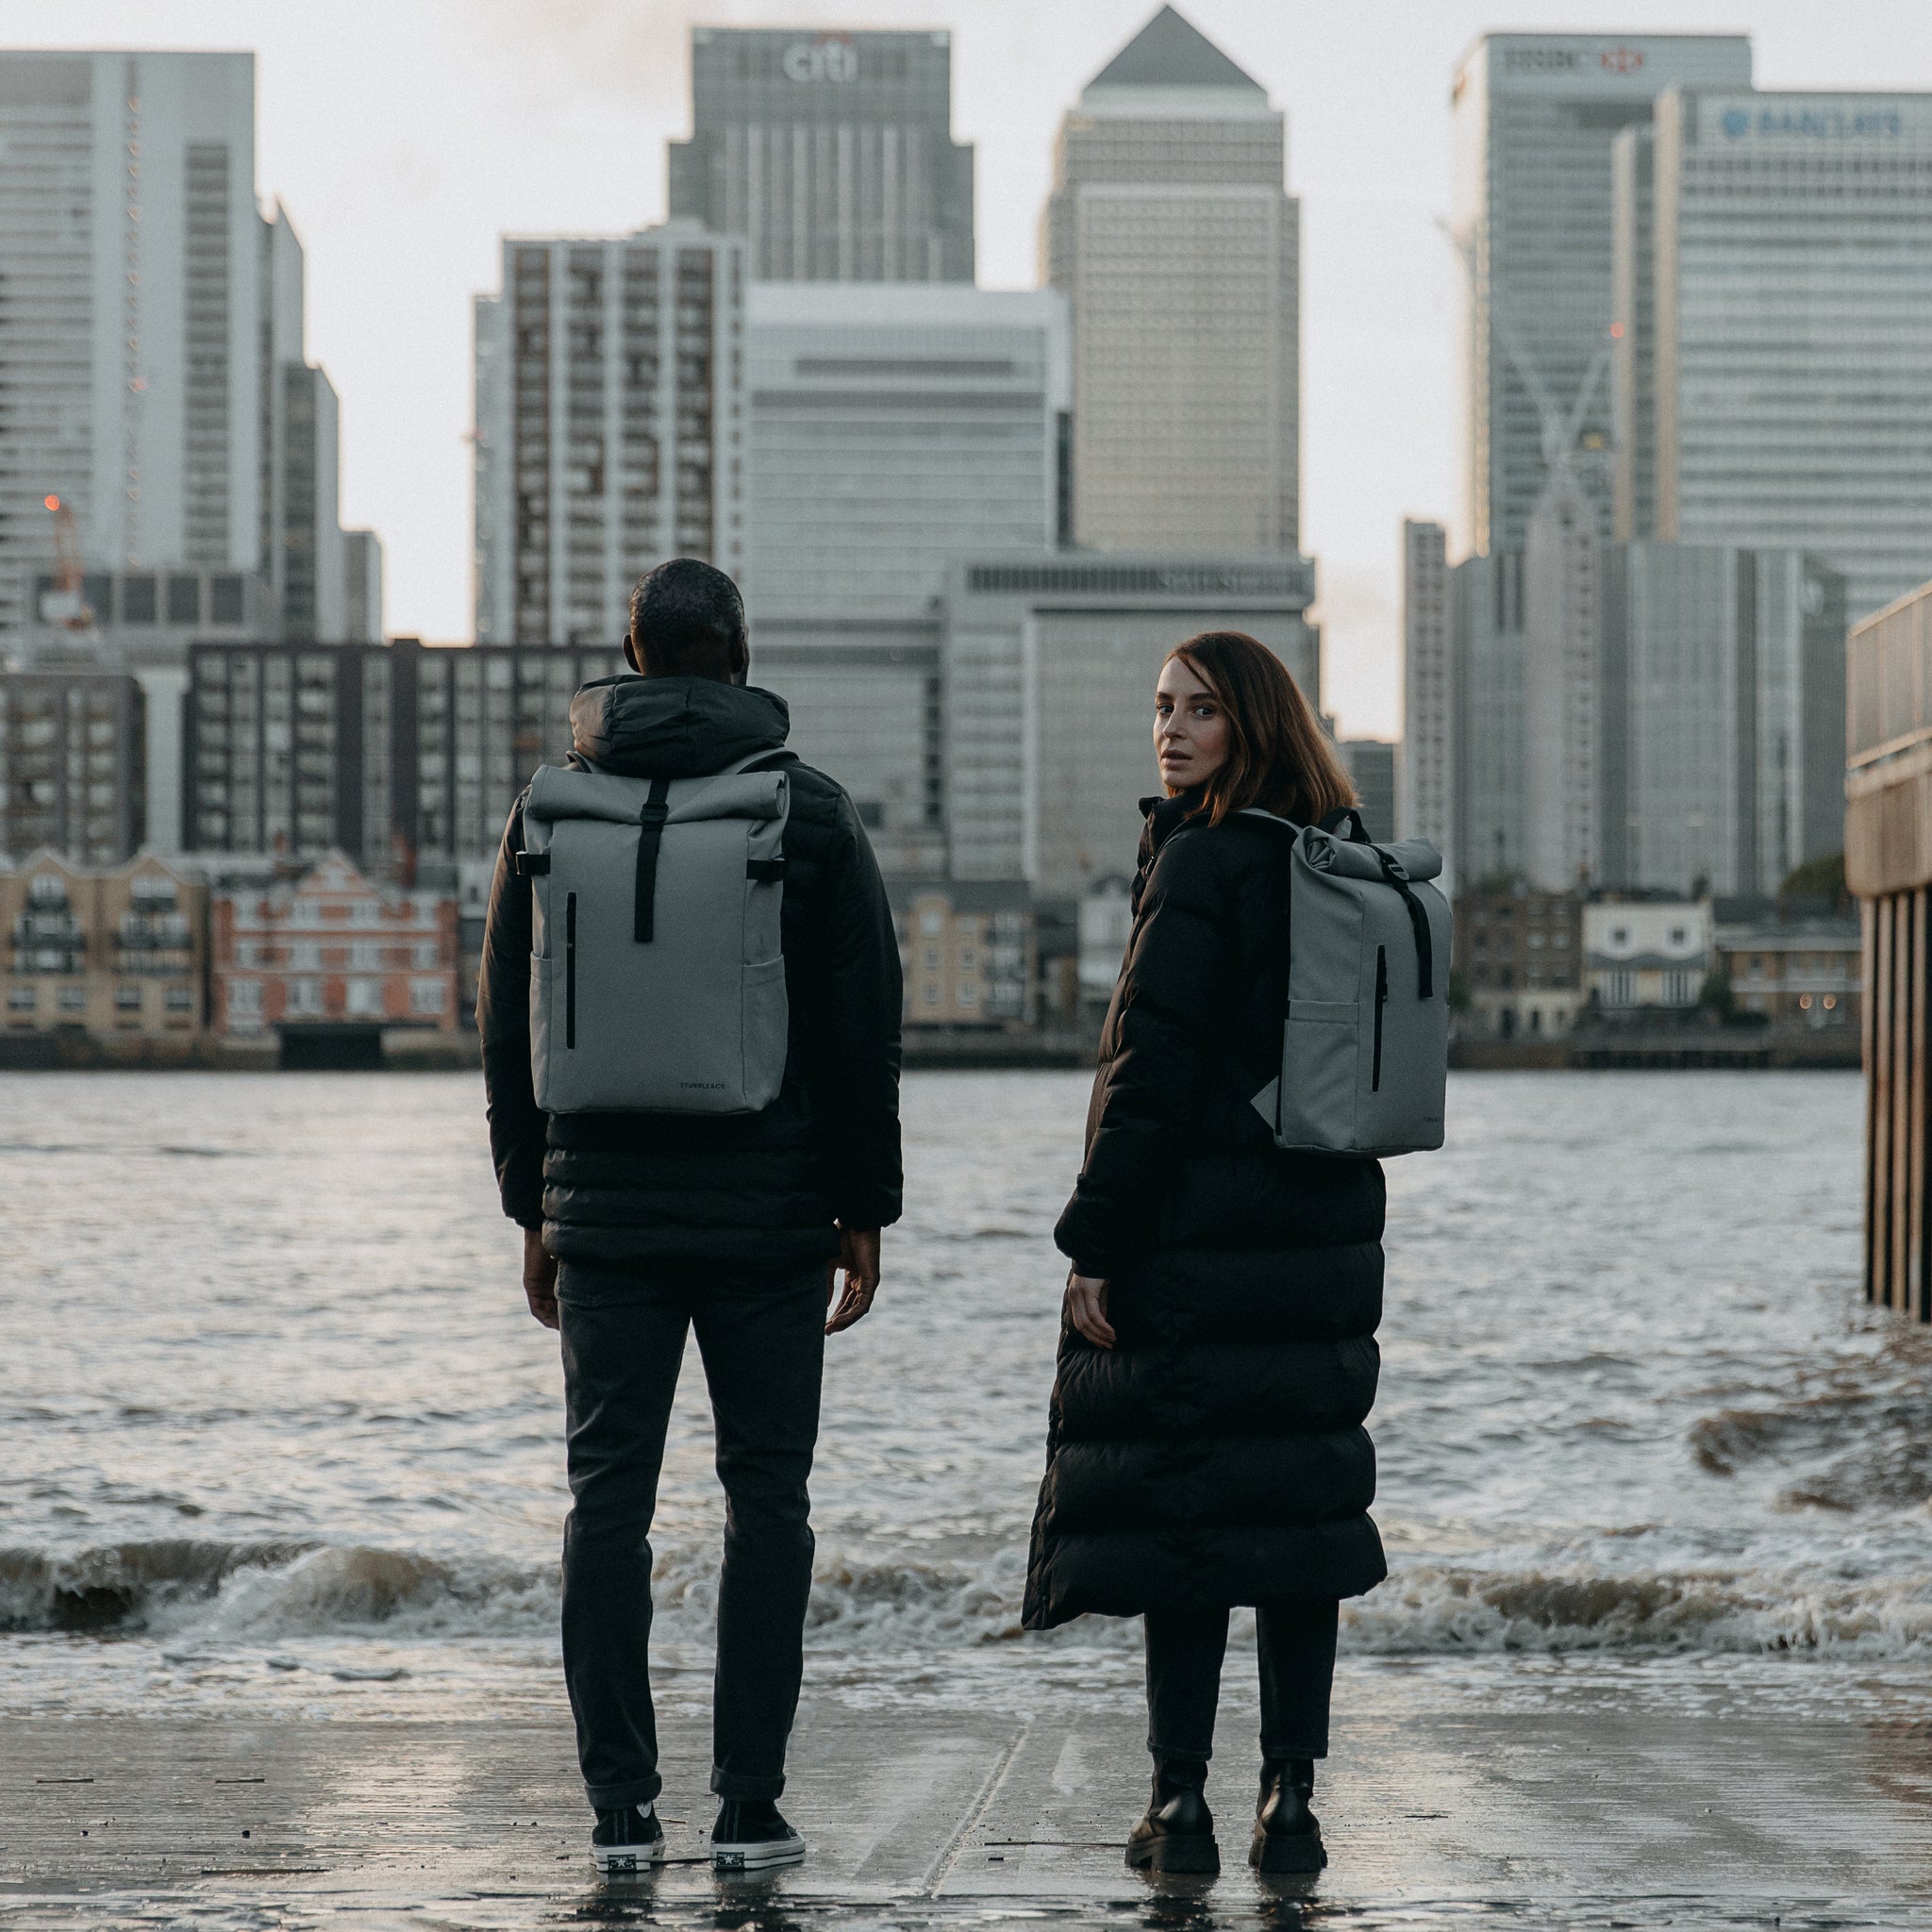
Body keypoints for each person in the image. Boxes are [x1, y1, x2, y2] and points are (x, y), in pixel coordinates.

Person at [477, 558, 903, 1875]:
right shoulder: (812, 813)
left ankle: (618, 1812)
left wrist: (530, 1204)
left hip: (601, 1216)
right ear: (738, 658)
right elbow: (859, 1028)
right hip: (771, 1216)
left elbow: (508, 1022)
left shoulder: (549, 807)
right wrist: (862, 1207)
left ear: (632, 657)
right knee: (766, 1503)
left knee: (608, 1507)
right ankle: (750, 1807)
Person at [1022, 631, 1388, 1877]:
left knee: (1187, 1522)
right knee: (1294, 1524)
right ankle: (1292, 1800)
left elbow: (1151, 1071)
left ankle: (1180, 1803)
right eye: (1161, 709)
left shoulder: (1203, 865)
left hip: (1197, 1246)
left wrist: (1095, 1244)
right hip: (1323, 1248)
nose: (1170, 731)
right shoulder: (1340, 865)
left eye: (1201, 711)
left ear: (1256, 726)